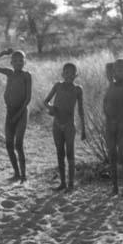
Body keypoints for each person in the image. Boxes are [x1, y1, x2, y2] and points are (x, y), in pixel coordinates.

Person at [0, 48, 32, 183]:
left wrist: (18, 114)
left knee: (18, 145)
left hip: (22, 112)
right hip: (10, 111)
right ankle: (16, 173)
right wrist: (1, 53)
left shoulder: (26, 75)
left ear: (25, 61)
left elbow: (28, 98)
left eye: (21, 60)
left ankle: (24, 175)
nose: (18, 62)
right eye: (15, 60)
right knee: (8, 145)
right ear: (11, 62)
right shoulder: (9, 73)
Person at [44, 63, 86, 192]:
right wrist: (50, 108)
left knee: (70, 154)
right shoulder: (57, 86)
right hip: (57, 124)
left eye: (72, 73)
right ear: (63, 74)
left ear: (76, 75)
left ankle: (71, 184)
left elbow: (80, 110)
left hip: (69, 125)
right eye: (66, 73)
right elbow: (46, 101)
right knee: (59, 153)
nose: (69, 75)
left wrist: (83, 129)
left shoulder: (78, 89)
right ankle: (62, 183)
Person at [103, 58, 123, 195]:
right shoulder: (110, 85)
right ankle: (114, 188)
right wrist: (107, 116)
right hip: (109, 124)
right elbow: (104, 103)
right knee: (112, 156)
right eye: (116, 69)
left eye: (122, 70)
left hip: (121, 124)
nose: (118, 72)